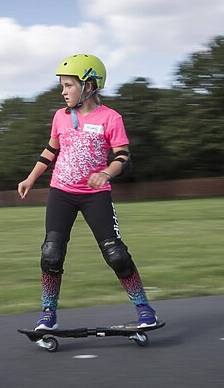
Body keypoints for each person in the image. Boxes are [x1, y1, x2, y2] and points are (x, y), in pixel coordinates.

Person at [18, 54, 157, 331]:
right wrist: (31, 178)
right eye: (62, 86)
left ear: (89, 86)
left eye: (69, 85)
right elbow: (51, 150)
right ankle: (48, 313)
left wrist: (106, 172)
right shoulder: (60, 117)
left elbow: (123, 157)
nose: (63, 91)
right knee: (51, 253)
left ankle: (144, 308)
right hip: (61, 192)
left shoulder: (110, 118)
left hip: (96, 195)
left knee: (115, 254)